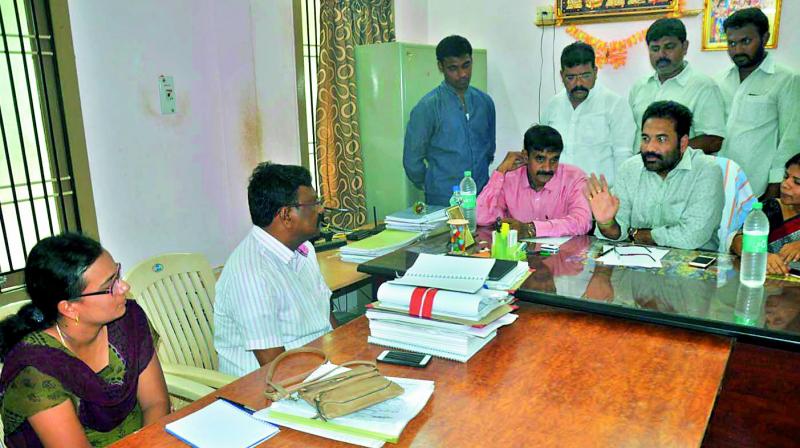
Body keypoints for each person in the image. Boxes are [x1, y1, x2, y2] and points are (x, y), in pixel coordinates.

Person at [0, 234, 169, 447]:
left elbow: (156, 402)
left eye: (118, 274)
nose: (124, 286)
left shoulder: (128, 320)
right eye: (110, 286)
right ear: (69, 308)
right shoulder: (37, 369)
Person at [214, 162, 334, 377]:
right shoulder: (251, 273)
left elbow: (326, 320)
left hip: (318, 367)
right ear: (286, 215)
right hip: (264, 389)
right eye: (313, 204)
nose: (321, 209)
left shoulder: (304, 250)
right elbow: (275, 367)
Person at [587, 101, 723, 251]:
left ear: (683, 143)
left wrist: (637, 234)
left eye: (661, 139)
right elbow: (617, 232)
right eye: (645, 138)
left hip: (693, 266)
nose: (650, 147)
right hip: (637, 261)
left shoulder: (706, 170)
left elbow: (691, 236)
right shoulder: (629, 169)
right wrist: (606, 223)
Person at [717, 7, 800, 200]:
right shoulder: (719, 81)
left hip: (758, 185)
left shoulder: (786, 80)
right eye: (731, 43)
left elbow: (791, 137)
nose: (737, 50)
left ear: (765, 38)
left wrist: (776, 184)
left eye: (745, 41)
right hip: (719, 182)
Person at [403, 35, 496, 205]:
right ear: (441, 67)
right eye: (453, 68)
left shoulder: (485, 102)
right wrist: (433, 183)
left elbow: (489, 150)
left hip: (482, 196)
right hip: (442, 200)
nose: (462, 74)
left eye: (466, 65)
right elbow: (412, 160)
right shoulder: (428, 107)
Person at [541, 41, 635, 186]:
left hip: (599, 199)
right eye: (571, 77)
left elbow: (623, 158)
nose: (578, 83)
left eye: (585, 75)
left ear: (595, 72)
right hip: (559, 198)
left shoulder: (615, 105)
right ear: (561, 75)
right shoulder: (553, 106)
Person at [629, 18, 726, 154]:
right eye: (655, 49)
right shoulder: (640, 86)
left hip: (686, 172)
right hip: (642, 171)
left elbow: (713, 140)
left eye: (669, 47)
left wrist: (667, 154)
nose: (661, 54)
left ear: (685, 47)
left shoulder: (704, 86)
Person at [476, 125, 591, 237]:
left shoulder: (574, 178)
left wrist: (531, 229)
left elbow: (582, 222)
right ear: (526, 156)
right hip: (519, 254)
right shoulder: (510, 178)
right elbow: (481, 217)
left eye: (554, 160)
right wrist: (500, 171)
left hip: (564, 254)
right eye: (540, 158)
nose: (547, 168)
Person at [731, 154, 800, 275]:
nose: (784, 184)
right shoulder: (771, 208)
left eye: (797, 182)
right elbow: (737, 241)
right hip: (771, 285)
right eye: (785, 176)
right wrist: (760, 255)